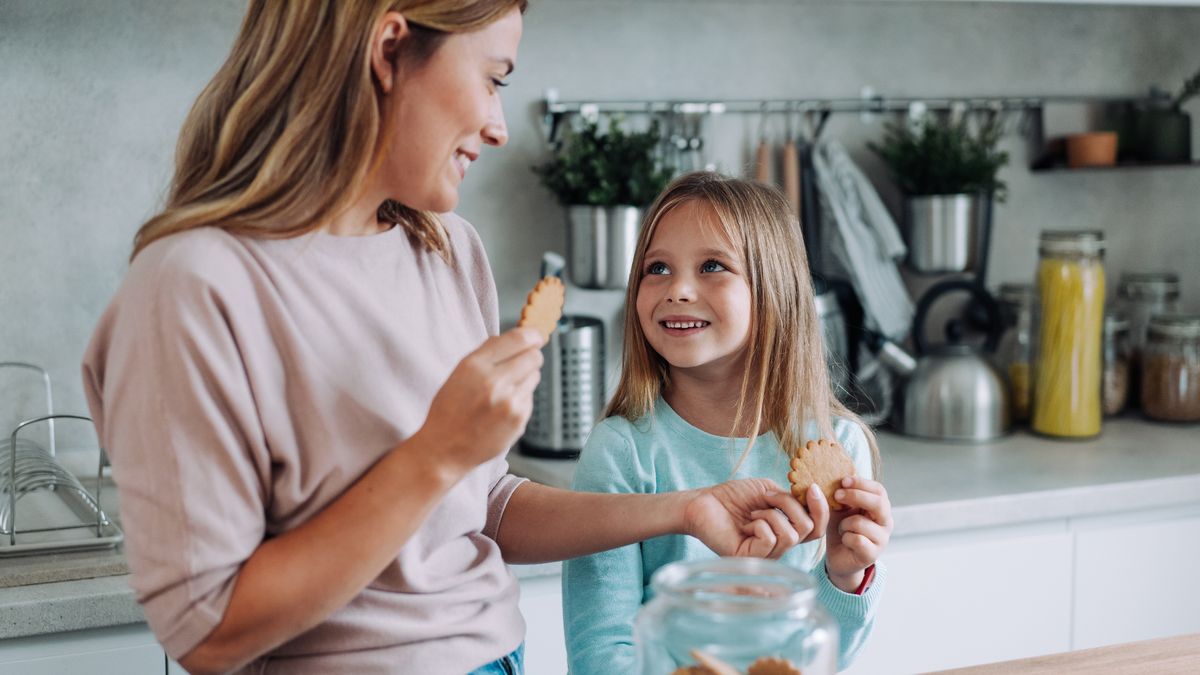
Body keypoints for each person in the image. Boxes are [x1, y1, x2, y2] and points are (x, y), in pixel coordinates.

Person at [80, 3, 815, 674]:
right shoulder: (193, 285)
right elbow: (209, 633)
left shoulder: (446, 249)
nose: (499, 126)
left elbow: (481, 503)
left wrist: (686, 508)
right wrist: (435, 452)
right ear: (390, 50)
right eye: (493, 78)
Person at [563, 172, 894, 674]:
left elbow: (825, 659)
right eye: (657, 268)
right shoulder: (621, 453)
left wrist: (845, 577)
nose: (677, 290)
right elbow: (600, 655)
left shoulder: (838, 445)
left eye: (712, 265)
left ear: (774, 292)